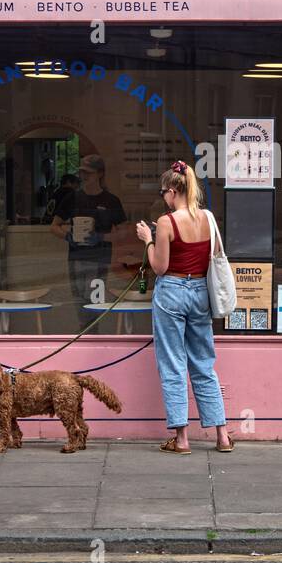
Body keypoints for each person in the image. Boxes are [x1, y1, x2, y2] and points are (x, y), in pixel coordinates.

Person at [135, 160, 234, 454]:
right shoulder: (208, 218)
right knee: (204, 363)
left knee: (173, 364)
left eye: (165, 191)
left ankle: (181, 439)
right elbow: (214, 255)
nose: (163, 196)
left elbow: (160, 267)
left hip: (172, 292)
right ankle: (223, 435)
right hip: (200, 292)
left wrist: (148, 240)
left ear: (175, 190)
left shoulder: (166, 222)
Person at [50, 155, 126, 330]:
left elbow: (124, 233)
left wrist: (101, 237)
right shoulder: (73, 198)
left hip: (100, 258)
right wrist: (68, 236)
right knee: (79, 300)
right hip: (77, 258)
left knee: (95, 300)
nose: (84, 177)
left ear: (100, 174)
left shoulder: (111, 201)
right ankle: (86, 333)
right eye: (82, 173)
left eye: (88, 173)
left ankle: (92, 333)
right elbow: (54, 226)